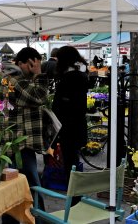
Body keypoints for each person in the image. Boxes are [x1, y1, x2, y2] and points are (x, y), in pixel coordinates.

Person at [2, 47, 49, 224]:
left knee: (16, 187)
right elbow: (39, 97)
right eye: (32, 65)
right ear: (23, 63)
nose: (34, 69)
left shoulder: (17, 78)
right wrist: (39, 74)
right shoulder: (14, 80)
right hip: (19, 143)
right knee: (31, 187)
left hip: (21, 142)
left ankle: (28, 220)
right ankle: (41, 220)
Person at [52, 46, 88, 204]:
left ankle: (73, 199)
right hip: (77, 126)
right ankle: (75, 197)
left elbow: (59, 105)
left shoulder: (69, 78)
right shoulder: (81, 75)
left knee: (70, 164)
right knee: (72, 161)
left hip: (68, 128)